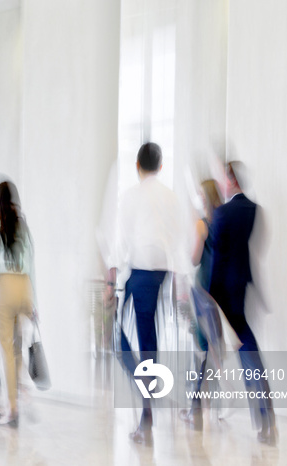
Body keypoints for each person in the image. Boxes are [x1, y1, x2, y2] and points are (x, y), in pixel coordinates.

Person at [106, 142, 183, 446]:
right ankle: (147, 396)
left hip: (139, 273)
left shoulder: (131, 196)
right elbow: (177, 238)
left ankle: (147, 410)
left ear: (138, 166)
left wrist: (112, 279)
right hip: (161, 274)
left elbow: (121, 240)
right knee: (147, 338)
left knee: (130, 339)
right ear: (160, 166)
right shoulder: (171, 198)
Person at [208, 161, 277, 445]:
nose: (221, 183)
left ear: (230, 180)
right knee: (244, 346)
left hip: (223, 289)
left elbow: (218, 256)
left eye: (222, 178)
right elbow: (252, 247)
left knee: (239, 347)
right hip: (243, 284)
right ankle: (265, 417)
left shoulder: (223, 213)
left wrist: (210, 294)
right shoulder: (254, 210)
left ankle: (262, 417)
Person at [0, 181, 36, 427]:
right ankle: (18, 390)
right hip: (23, 286)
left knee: (5, 350)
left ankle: (11, 407)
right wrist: (32, 299)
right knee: (18, 346)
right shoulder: (22, 224)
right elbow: (31, 260)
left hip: (4, 287)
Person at [181, 179, 223, 430]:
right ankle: (208, 406)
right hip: (220, 291)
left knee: (202, 348)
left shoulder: (202, 224)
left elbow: (194, 258)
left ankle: (195, 406)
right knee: (212, 347)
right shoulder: (223, 222)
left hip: (202, 289)